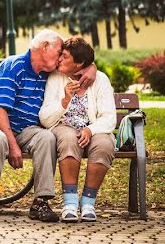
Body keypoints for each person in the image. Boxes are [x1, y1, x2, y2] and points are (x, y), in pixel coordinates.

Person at [0, 29, 63, 224]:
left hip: (25, 130)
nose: (60, 58)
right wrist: (13, 145)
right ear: (45, 47)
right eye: (59, 52)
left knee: (47, 138)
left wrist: (91, 68)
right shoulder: (13, 66)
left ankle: (41, 202)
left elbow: (82, 62)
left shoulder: (49, 72)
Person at [39, 37, 116, 223]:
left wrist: (90, 130)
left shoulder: (101, 80)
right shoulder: (56, 78)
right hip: (63, 128)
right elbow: (45, 119)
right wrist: (65, 100)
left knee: (105, 144)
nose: (59, 60)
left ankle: (88, 203)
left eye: (64, 57)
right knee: (68, 137)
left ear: (79, 63)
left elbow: (109, 117)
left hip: (93, 130)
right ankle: (70, 203)